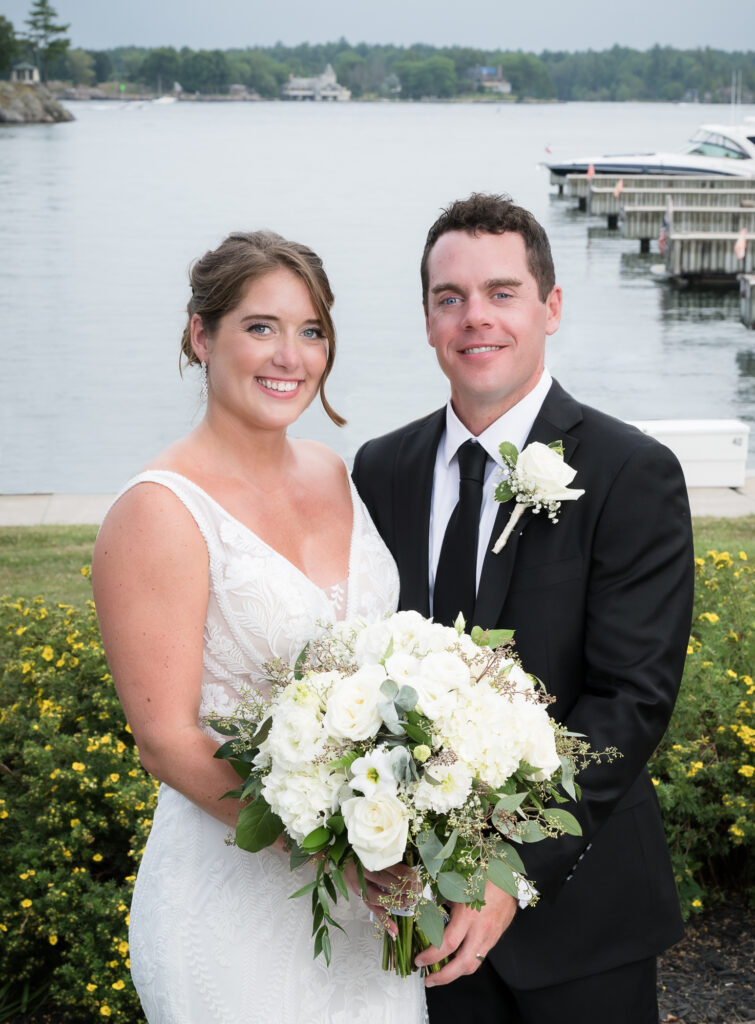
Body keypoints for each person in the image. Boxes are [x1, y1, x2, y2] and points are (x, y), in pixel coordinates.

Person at [352, 193, 694, 1024]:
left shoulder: (627, 472)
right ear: (428, 319)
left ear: (550, 308)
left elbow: (629, 701)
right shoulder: (378, 470)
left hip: (581, 920)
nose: (476, 318)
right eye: (449, 298)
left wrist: (508, 870)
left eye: (501, 293)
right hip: (417, 918)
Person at [92, 230, 426, 1024]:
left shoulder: (333, 474)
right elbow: (166, 739)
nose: (291, 356)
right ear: (200, 336)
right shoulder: (159, 511)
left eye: (311, 331)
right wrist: (330, 848)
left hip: (365, 907)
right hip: (237, 902)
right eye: (260, 327)